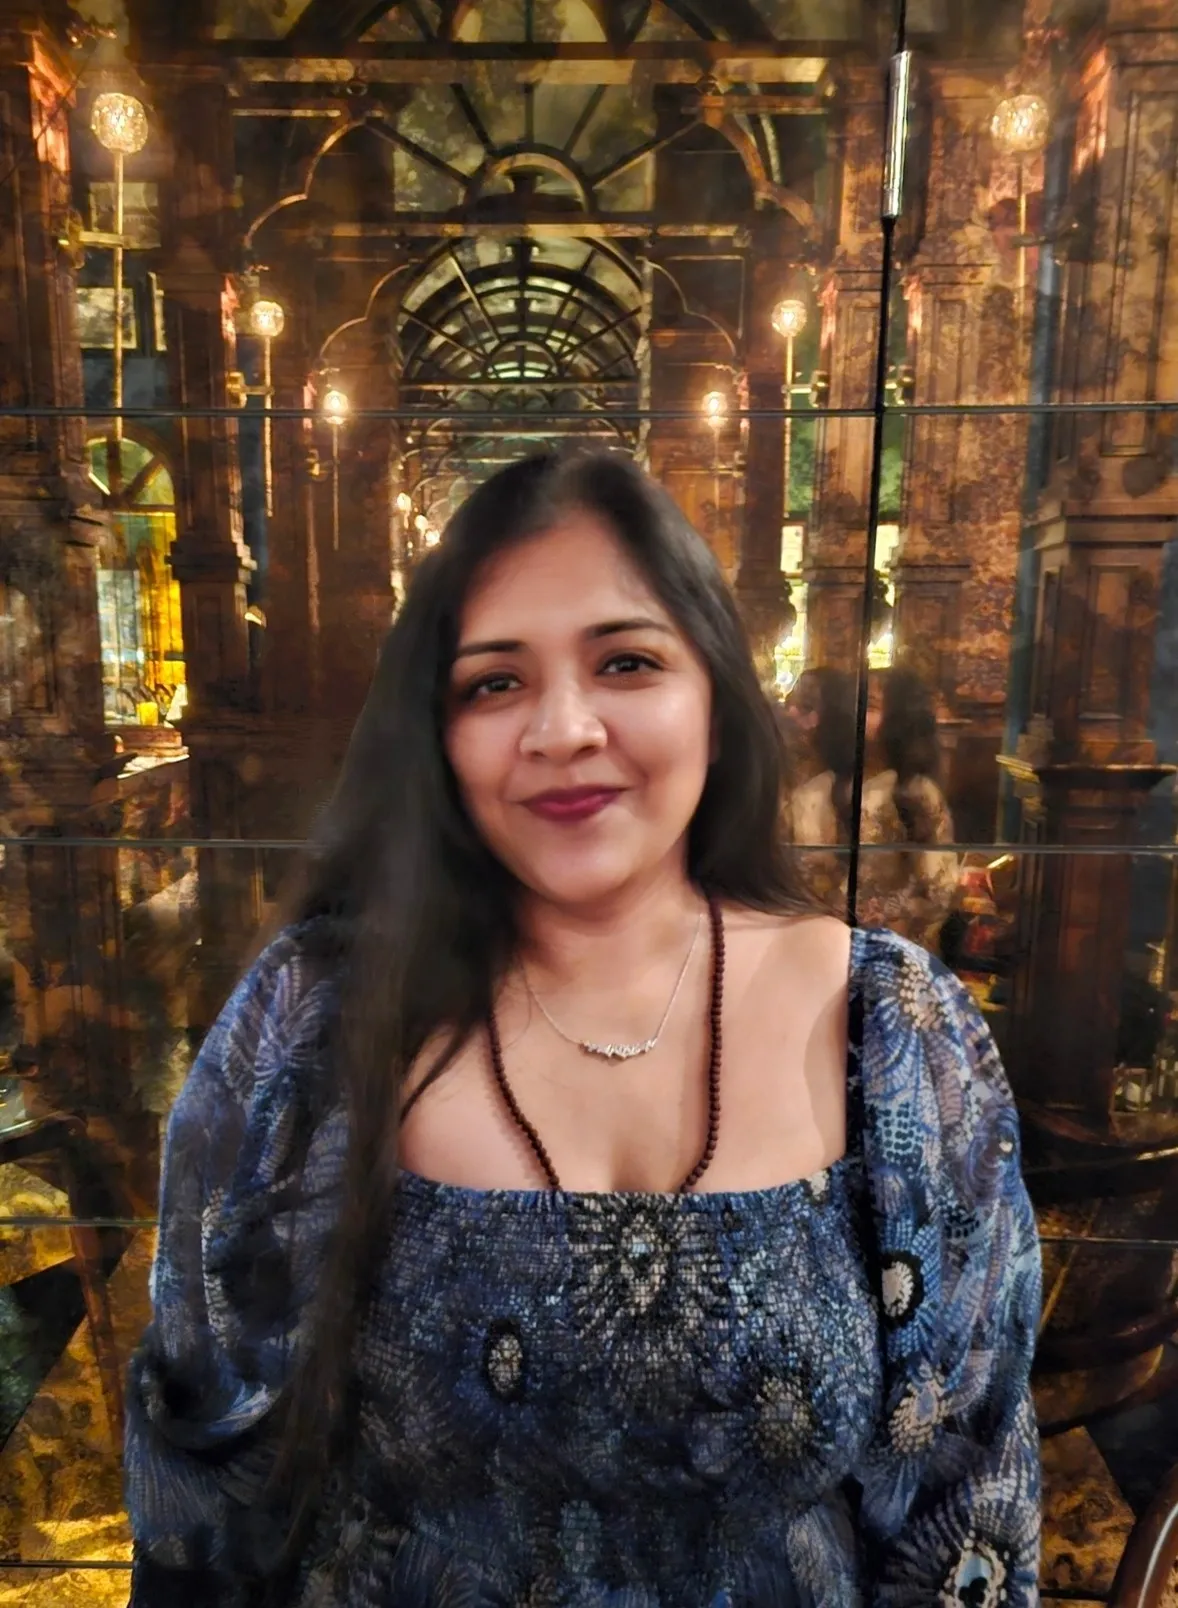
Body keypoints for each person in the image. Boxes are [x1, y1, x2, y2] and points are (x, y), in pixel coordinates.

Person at [124, 451, 1041, 1608]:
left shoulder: (892, 1029)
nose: (562, 728)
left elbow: (968, 1499)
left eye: (625, 662)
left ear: (714, 691)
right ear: (436, 736)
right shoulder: (318, 1021)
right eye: (492, 684)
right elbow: (202, 1472)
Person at [790, 666, 959, 950]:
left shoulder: (916, 793)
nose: (855, 716)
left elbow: (939, 888)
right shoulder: (815, 791)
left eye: (871, 707)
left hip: (890, 950)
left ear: (900, 720)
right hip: (817, 943)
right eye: (853, 706)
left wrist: (888, 924)